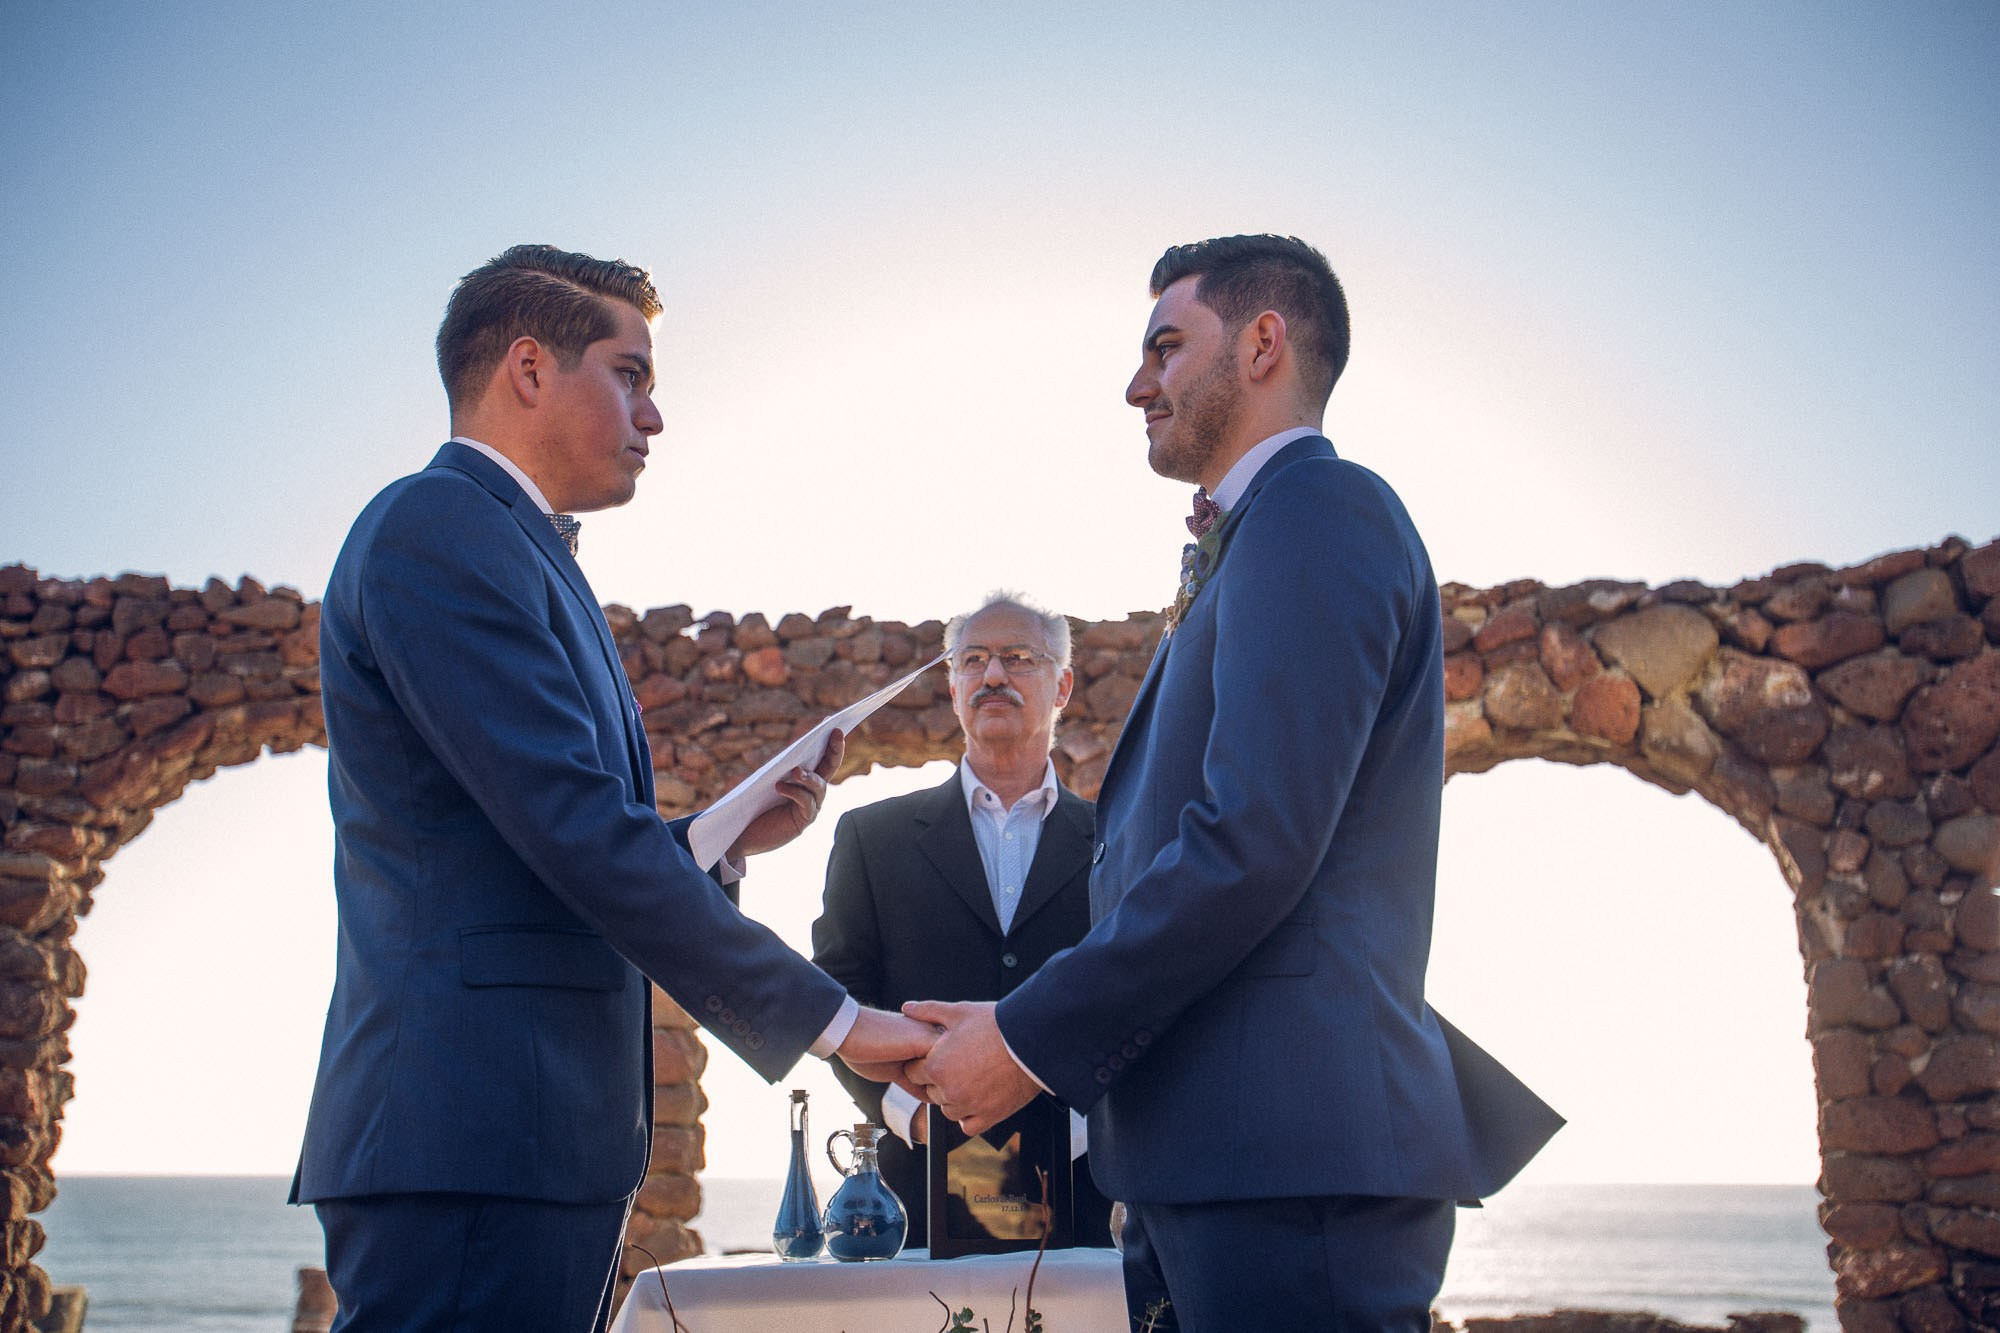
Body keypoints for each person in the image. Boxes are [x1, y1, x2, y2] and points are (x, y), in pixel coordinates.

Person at [905, 235, 1562, 1330]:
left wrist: (1025, 1039)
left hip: (1284, 1164)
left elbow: (1250, 841)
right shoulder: (1258, 542)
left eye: (1166, 346)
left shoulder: (1319, 511)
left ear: (1262, 343)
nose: (1135, 384)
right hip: (1211, 1162)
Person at [292, 244, 931, 1332]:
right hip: (470, 1137)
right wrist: (835, 1021)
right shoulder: (436, 531)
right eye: (630, 373)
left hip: (532, 1141)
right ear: (530, 369)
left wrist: (720, 839)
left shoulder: (523, 555)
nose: (656, 413)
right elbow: (577, 832)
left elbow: (539, 842)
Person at [810, 593, 1116, 1248]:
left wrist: (1081, 1128)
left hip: (1090, 1207)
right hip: (907, 1209)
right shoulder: (871, 837)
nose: (993, 675)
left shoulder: (1118, 839)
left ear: (1061, 684)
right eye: (972, 659)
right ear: (953, 687)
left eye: (1017, 657)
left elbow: (1142, 994)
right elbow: (835, 998)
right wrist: (910, 1114)